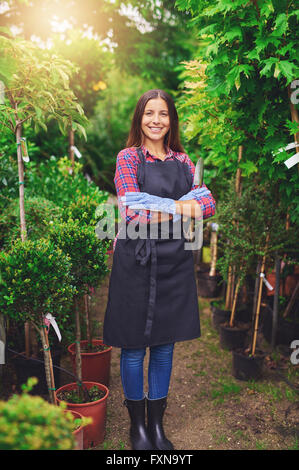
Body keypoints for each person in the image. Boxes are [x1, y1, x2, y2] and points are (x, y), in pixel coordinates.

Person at [103, 89, 216, 450]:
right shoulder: (128, 158)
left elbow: (208, 204)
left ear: (171, 120)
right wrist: (182, 207)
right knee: (134, 347)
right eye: (149, 113)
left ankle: (156, 426)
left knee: (165, 347)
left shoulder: (183, 162)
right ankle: (137, 427)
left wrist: (155, 203)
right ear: (140, 118)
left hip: (174, 261)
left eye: (163, 113)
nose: (156, 120)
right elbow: (132, 214)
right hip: (135, 260)